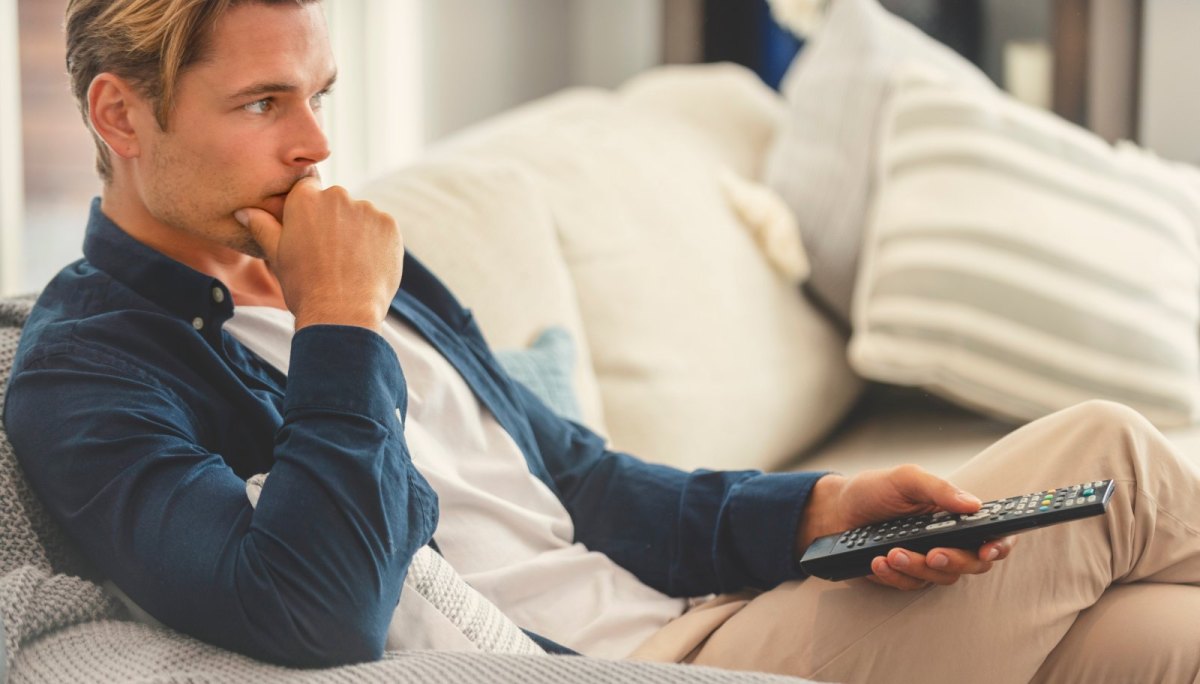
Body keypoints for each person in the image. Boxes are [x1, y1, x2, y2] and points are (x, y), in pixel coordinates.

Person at [4, 0, 1199, 681]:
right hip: (631, 669)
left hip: (705, 604)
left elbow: (584, 480)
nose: (316, 144)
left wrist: (819, 505)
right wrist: (337, 320)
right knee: (1111, 449)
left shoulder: (361, 257)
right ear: (121, 113)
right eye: (265, 104)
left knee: (1160, 645)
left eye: (321, 94)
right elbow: (314, 608)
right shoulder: (92, 367)